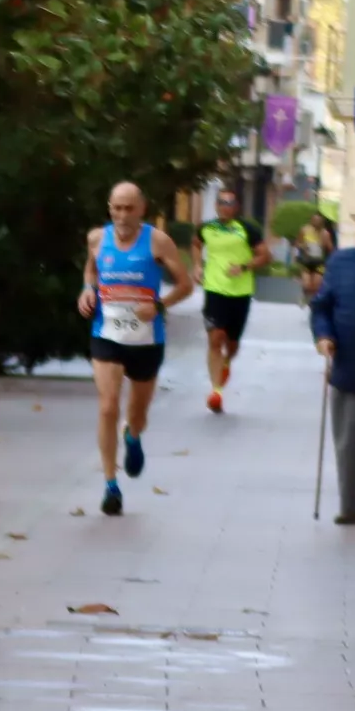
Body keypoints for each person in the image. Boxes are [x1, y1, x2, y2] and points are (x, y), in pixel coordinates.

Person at [76, 184, 194, 516]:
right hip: (107, 334)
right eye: (117, 208)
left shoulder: (157, 241)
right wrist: (87, 288)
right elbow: (91, 268)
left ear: (142, 209)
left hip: (146, 339)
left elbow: (186, 285)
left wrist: (159, 304)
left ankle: (133, 435)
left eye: (129, 208)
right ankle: (111, 485)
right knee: (107, 406)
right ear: (110, 208)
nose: (122, 215)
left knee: (137, 414)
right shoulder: (97, 238)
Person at [311, 200, 355, 526]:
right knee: (347, 441)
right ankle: (350, 507)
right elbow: (321, 307)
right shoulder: (341, 262)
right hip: (348, 365)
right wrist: (324, 336)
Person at [191, 188, 269, 413]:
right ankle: (216, 392)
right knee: (216, 338)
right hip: (214, 290)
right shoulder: (207, 227)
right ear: (216, 205)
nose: (225, 206)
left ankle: (226, 363)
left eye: (230, 202)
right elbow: (196, 243)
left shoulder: (248, 229)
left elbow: (265, 255)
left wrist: (244, 266)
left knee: (232, 344)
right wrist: (197, 265)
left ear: (236, 207)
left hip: (241, 293)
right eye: (222, 202)